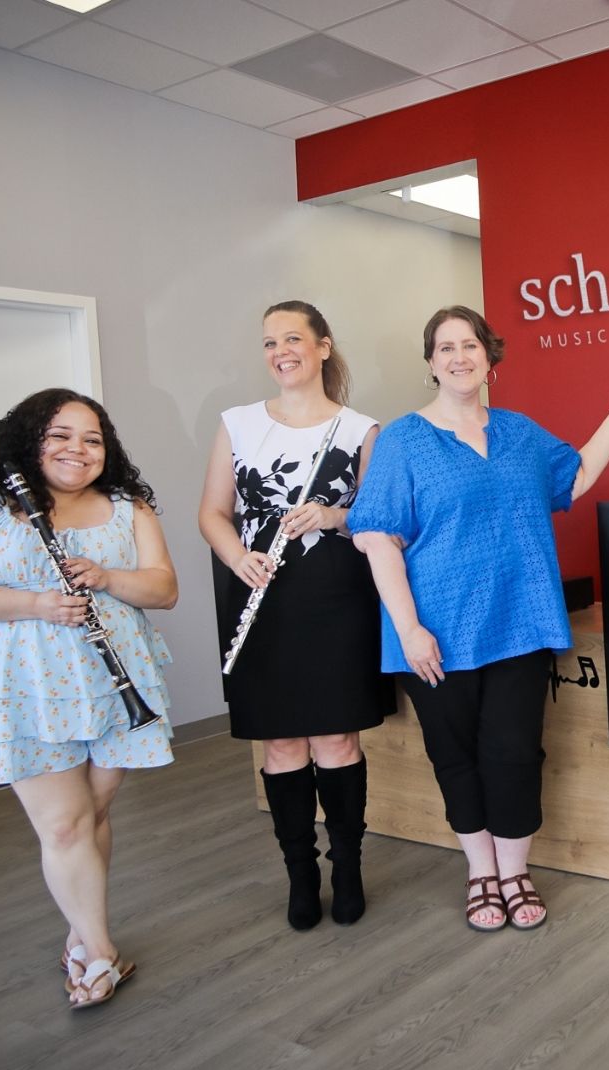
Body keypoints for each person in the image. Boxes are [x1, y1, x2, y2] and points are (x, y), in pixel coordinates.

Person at [349, 305, 609, 932]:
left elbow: (575, 478)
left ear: (490, 357)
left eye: (470, 345)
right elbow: (378, 539)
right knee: (454, 755)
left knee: (515, 752)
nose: (459, 356)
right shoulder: (404, 440)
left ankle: (515, 873)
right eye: (445, 347)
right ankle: (480, 875)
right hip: (434, 632)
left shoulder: (520, 433)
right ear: (431, 362)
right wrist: (409, 628)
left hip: (518, 622)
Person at [0, 388, 176, 1009]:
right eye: (61, 435)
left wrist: (109, 576)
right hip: (24, 683)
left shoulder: (126, 506)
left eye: (92, 439)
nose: (78, 450)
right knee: (63, 823)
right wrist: (36, 603)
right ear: (31, 439)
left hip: (117, 681)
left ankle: (78, 933)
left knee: (90, 815)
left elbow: (164, 588)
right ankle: (101, 952)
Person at [199, 300, 385, 931]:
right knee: (280, 741)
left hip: (335, 598)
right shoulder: (239, 423)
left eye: (293, 338)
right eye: (269, 342)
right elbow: (212, 513)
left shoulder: (362, 429)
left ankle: (349, 869)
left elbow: (381, 520)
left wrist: (334, 516)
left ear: (324, 346)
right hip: (260, 597)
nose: (280, 350)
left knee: (336, 737)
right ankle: (300, 877)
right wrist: (238, 558)